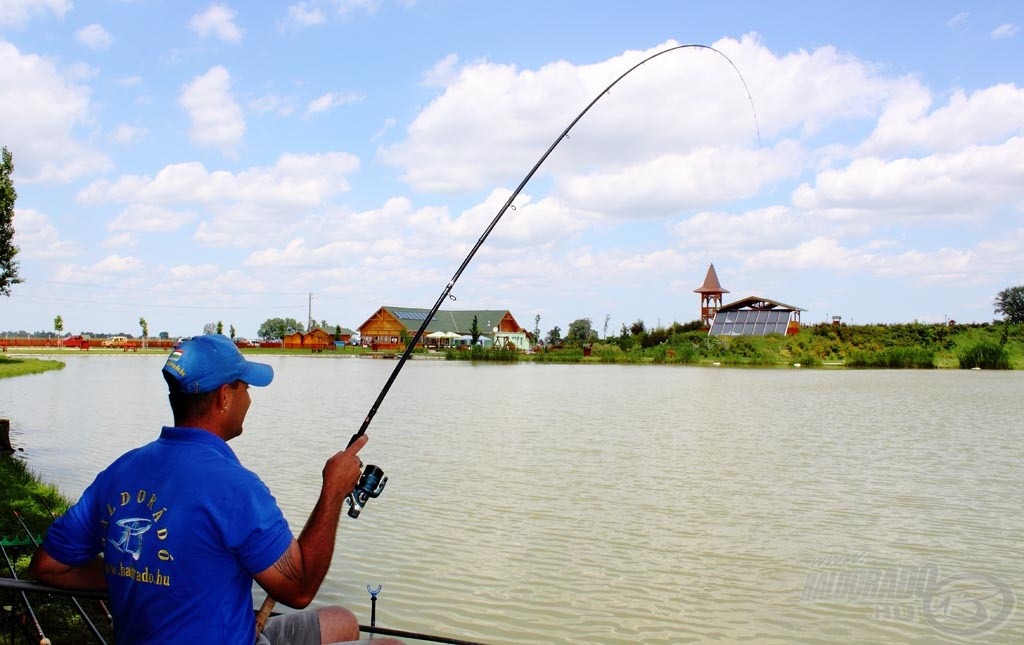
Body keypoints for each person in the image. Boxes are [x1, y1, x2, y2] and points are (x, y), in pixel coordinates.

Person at [30, 334, 402, 644]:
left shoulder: (120, 471)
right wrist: (333, 491)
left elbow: (49, 567)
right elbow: (299, 589)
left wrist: (137, 575)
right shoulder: (235, 488)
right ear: (225, 397)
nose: (250, 399)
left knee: (341, 621)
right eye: (245, 387)